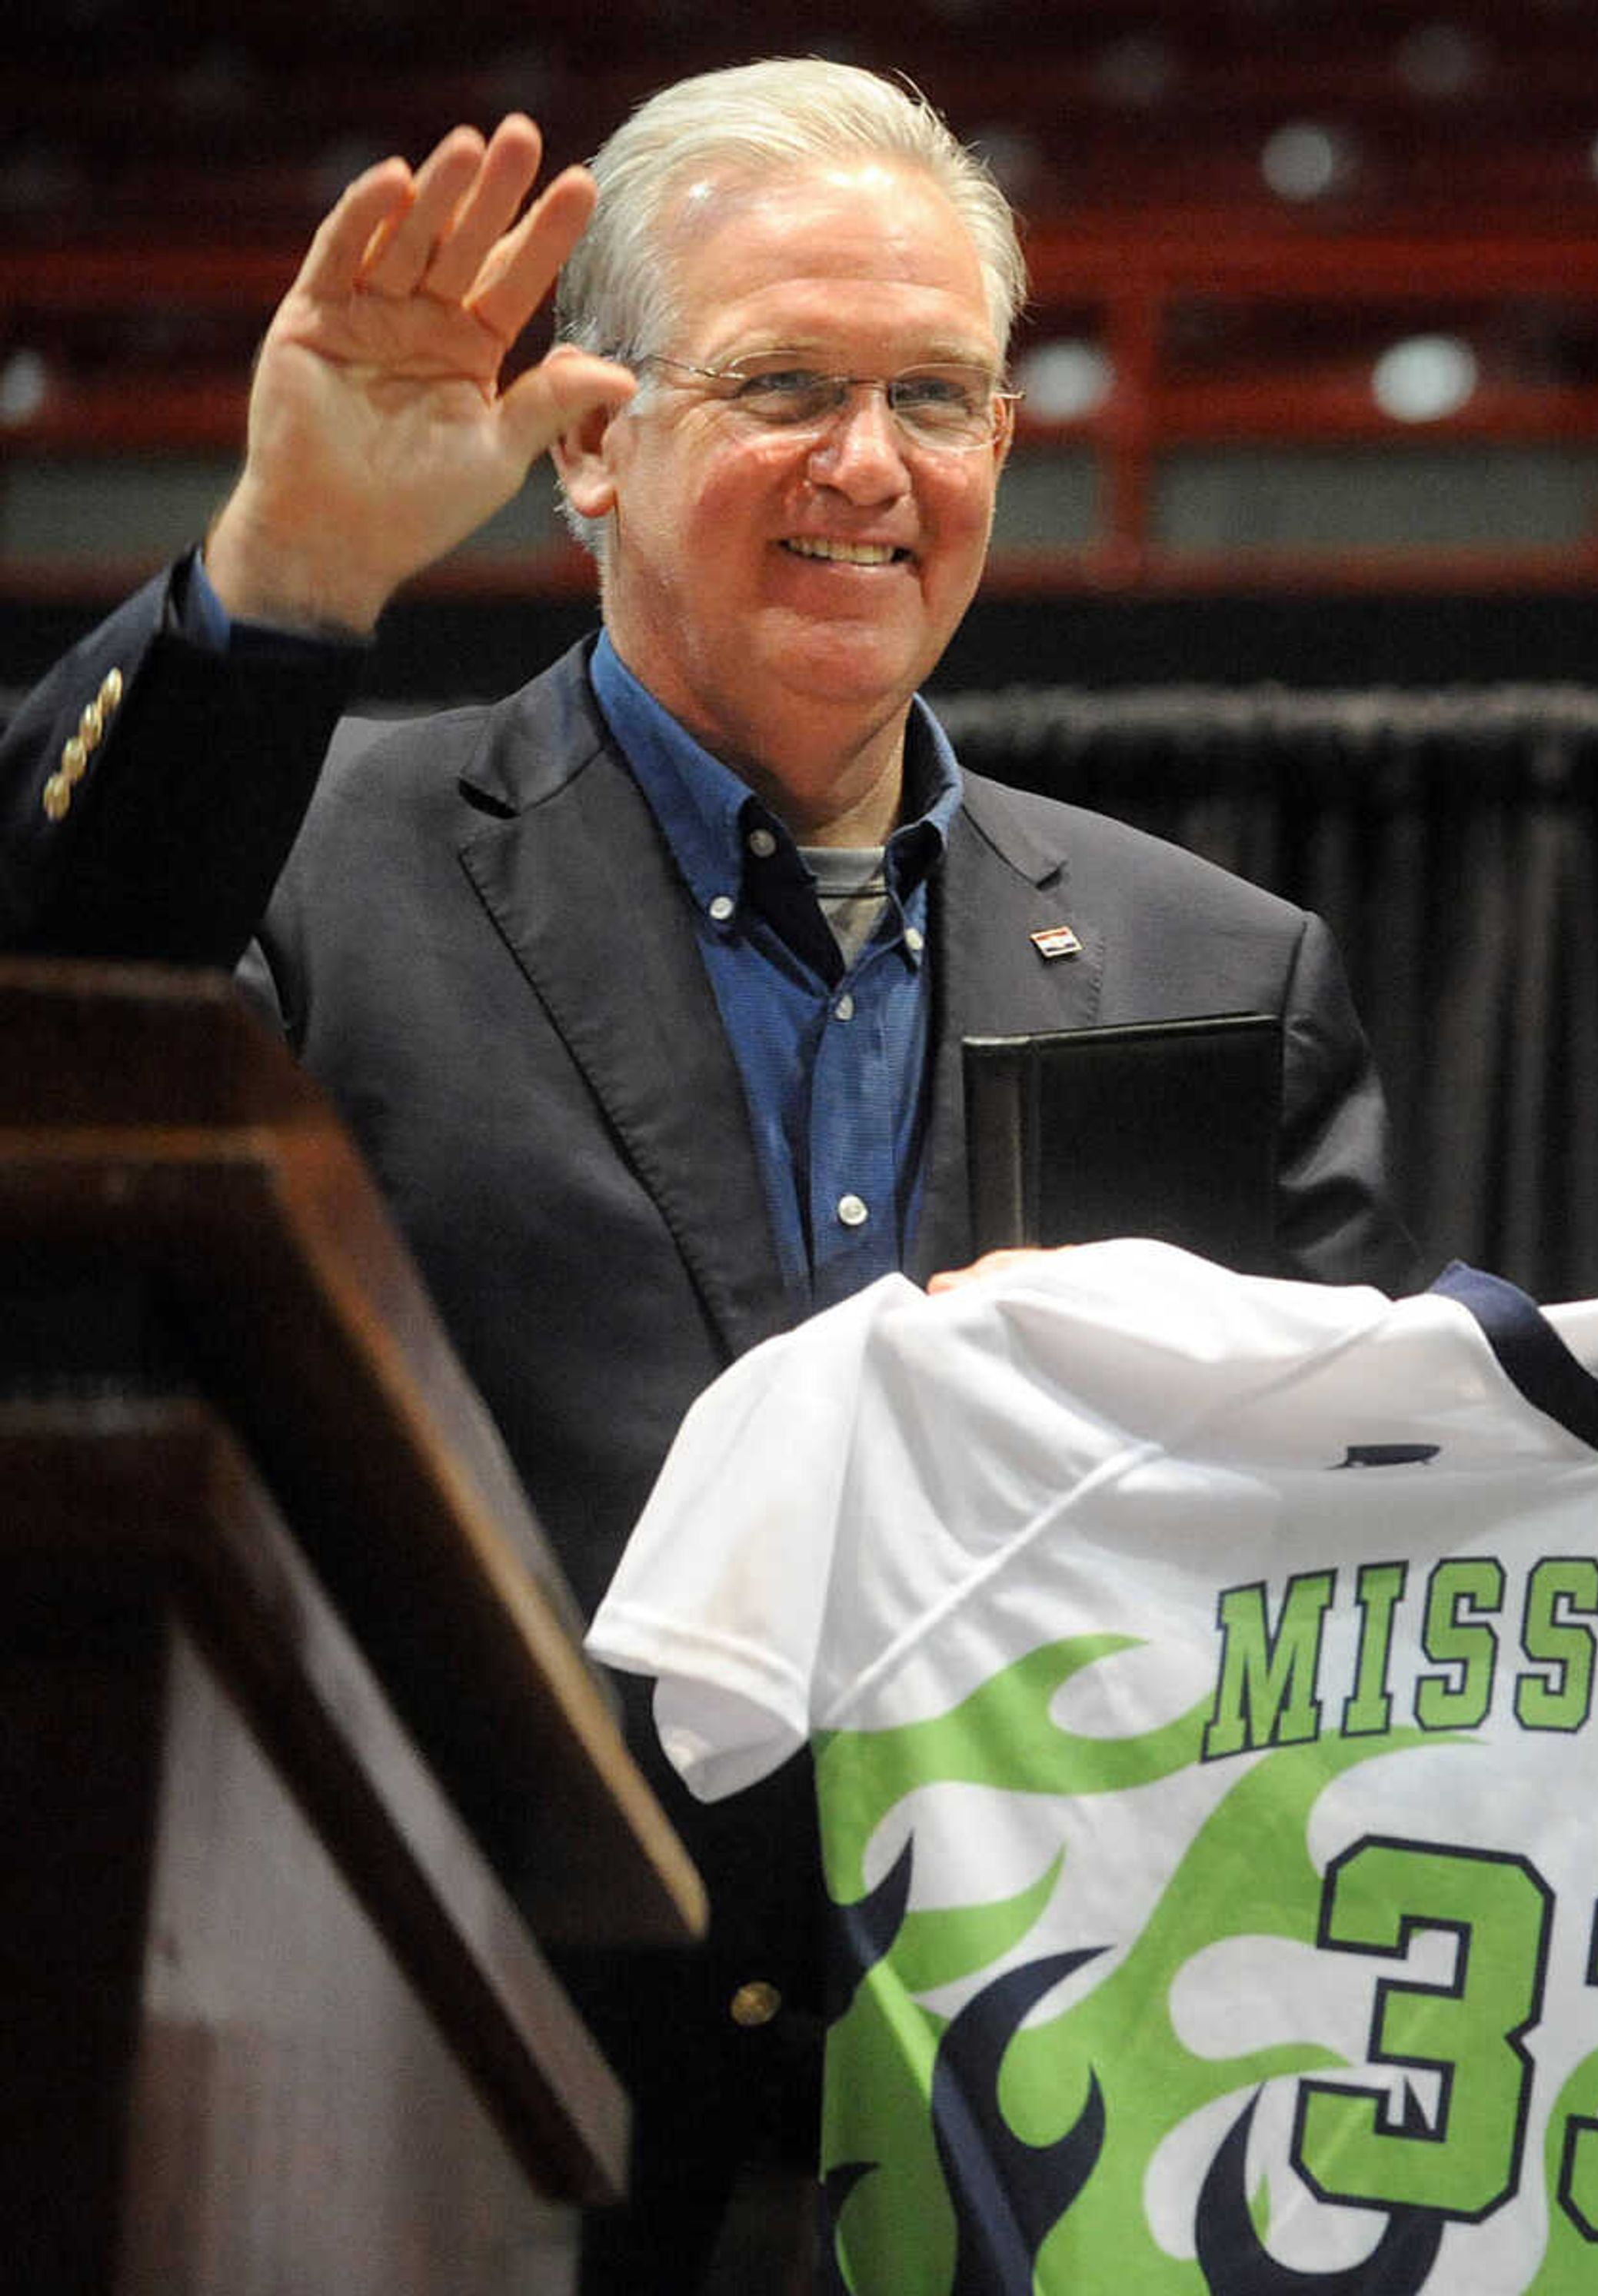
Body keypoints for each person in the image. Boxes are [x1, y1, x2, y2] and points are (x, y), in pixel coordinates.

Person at [0, 61, 1413, 2291]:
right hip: (440, 2122)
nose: (870, 466)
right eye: (783, 384)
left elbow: (1345, 1591)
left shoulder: (1213, 966)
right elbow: (45, 1014)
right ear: (589, 442)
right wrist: (279, 578)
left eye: (937, 395)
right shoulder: (312, 860)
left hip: (1046, 2168)